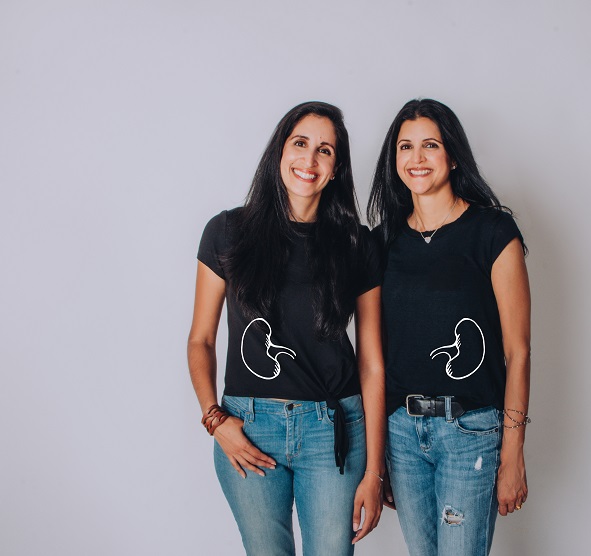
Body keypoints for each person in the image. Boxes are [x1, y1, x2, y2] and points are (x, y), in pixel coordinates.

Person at [188, 101, 385, 556]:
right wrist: (215, 420)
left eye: (325, 151)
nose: (309, 161)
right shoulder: (226, 232)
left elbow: (373, 363)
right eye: (300, 144)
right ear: (279, 151)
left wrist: (375, 469)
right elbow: (200, 340)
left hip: (334, 429)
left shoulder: (358, 243)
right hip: (249, 428)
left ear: (337, 168)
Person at [367, 98, 530, 556]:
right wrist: (377, 457)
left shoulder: (494, 233)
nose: (416, 159)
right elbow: (375, 357)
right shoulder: (382, 242)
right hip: (402, 435)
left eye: (430, 145)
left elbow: (518, 351)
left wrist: (513, 452)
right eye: (405, 146)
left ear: (453, 155)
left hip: (471, 432)